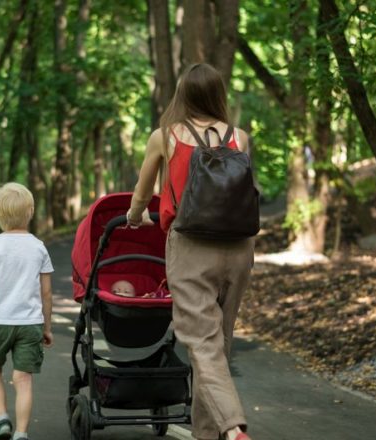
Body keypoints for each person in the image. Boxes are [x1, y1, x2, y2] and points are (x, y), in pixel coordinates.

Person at [126, 63, 255, 440]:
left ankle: (231, 428)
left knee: (201, 344)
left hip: (191, 246)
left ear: (182, 94)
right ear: (218, 95)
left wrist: (136, 218)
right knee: (217, 345)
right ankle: (207, 435)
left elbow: (141, 194)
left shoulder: (165, 136)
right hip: (239, 248)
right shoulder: (239, 138)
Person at [0, 182, 55, 440]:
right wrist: (47, 328)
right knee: (23, 379)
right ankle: (21, 434)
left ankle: (2, 419)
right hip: (30, 324)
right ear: (30, 211)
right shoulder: (39, 246)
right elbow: (47, 293)